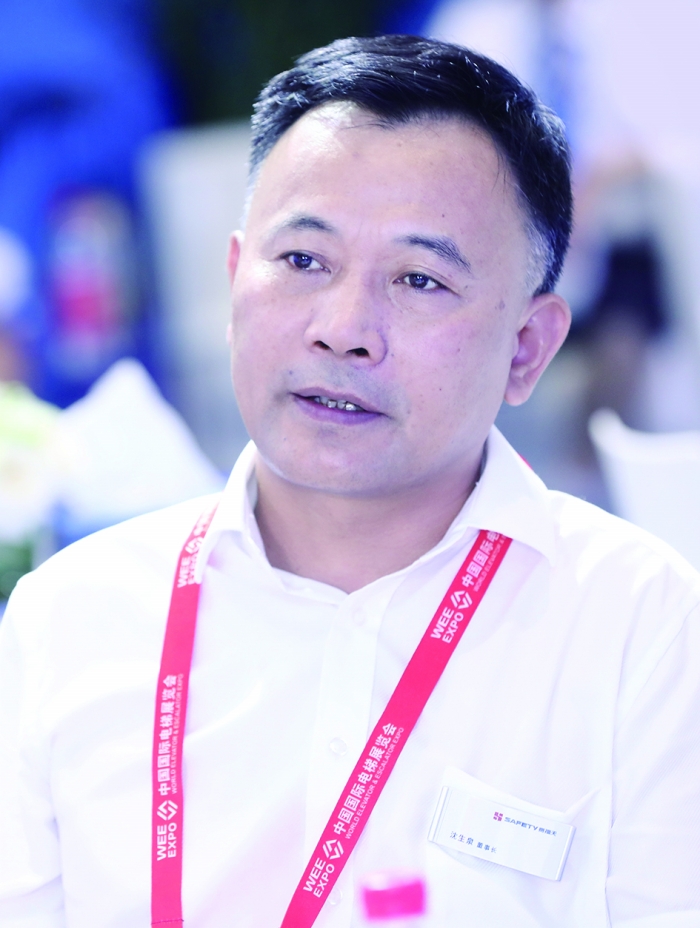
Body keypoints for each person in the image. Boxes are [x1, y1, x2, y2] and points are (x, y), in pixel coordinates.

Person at [1, 34, 698, 928]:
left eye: (419, 279)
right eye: (303, 261)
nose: (344, 328)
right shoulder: (71, 617)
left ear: (528, 348)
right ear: (234, 282)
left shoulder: (642, 625)